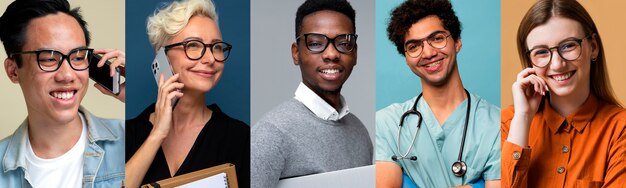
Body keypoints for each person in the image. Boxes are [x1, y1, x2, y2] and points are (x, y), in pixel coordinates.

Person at [0, 0, 126, 187]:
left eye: (77, 57)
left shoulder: (130, 139)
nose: (67, 75)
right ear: (13, 70)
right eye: (49, 59)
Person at [124, 0, 249, 187]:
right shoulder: (127, 135)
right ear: (162, 57)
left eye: (216, 47)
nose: (209, 59)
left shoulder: (241, 138)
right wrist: (157, 134)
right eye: (193, 45)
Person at [376, 0, 500, 187]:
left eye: (437, 38)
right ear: (406, 59)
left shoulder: (497, 124)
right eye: (414, 46)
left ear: (457, 41)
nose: (428, 53)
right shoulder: (387, 124)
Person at [502, 0, 626, 187]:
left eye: (568, 46)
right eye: (542, 52)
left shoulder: (620, 129)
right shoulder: (507, 124)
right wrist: (523, 117)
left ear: (593, 47)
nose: (557, 64)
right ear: (530, 61)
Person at [250, 0, 373, 187]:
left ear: (354, 53)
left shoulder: (359, 131)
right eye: (316, 43)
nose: (331, 54)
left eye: (343, 43)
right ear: (296, 53)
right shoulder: (270, 134)